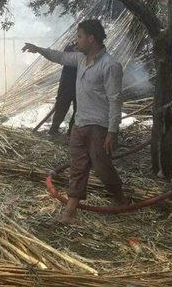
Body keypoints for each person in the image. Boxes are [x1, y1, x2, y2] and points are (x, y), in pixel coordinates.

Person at [22, 19, 126, 224]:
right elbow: (60, 56)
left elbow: (115, 100)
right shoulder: (80, 59)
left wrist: (113, 131)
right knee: (78, 167)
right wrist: (39, 50)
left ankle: (120, 198)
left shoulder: (110, 66)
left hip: (99, 126)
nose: (76, 41)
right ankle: (69, 213)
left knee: (102, 167)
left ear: (91, 38)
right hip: (80, 124)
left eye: (79, 36)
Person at [49, 43, 78, 135]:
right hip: (67, 83)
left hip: (79, 84)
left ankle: (71, 132)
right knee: (61, 106)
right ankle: (54, 129)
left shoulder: (87, 49)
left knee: (78, 109)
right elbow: (63, 58)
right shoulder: (70, 47)